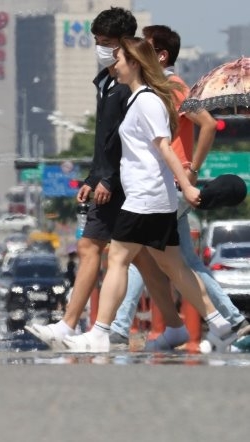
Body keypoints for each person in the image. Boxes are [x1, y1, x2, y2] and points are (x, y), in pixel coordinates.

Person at [63, 37, 238, 352]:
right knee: (175, 267)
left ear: (135, 64)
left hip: (147, 196)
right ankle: (222, 324)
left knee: (117, 258)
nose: (113, 64)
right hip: (153, 197)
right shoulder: (138, 100)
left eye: (119, 59)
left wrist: (186, 185)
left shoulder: (147, 101)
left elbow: (164, 148)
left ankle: (101, 332)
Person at [25, 7, 177, 349]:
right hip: (117, 182)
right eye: (96, 42)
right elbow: (104, 140)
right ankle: (179, 325)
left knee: (90, 247)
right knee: (149, 261)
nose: (100, 49)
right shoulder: (110, 81)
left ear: (125, 45)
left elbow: (124, 143)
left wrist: (105, 180)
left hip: (124, 185)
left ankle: (72, 325)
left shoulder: (130, 88)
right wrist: (94, 176)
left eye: (106, 43)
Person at [109, 25, 250, 350]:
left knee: (137, 253)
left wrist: (191, 172)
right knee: (178, 260)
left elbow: (208, 124)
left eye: (145, 46)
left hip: (169, 184)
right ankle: (232, 322)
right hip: (168, 184)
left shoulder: (170, 88)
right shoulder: (162, 87)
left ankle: (116, 327)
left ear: (159, 55)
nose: (136, 53)